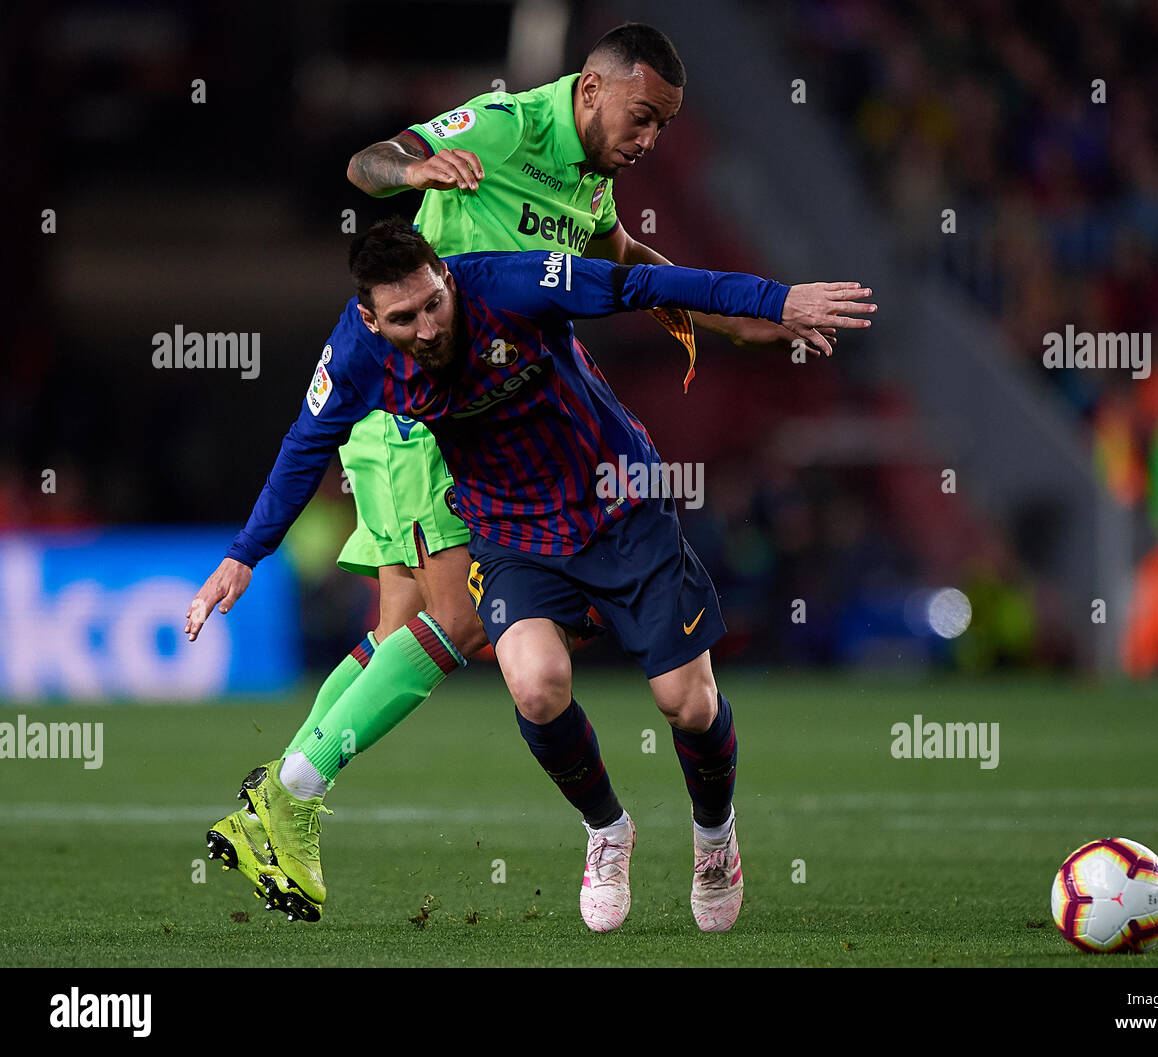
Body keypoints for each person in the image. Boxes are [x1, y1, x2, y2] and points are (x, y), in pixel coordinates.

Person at [189, 23, 793, 921]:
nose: (649, 141)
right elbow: (372, 161)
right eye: (643, 118)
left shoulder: (589, 179)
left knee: (398, 627)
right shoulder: (509, 127)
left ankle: (283, 797)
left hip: (468, 413)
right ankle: (287, 795)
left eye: (664, 127)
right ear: (592, 90)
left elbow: (618, 263)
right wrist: (416, 172)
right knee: (463, 623)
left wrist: (731, 315)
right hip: (424, 421)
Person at [223, 217, 873, 931]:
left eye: (433, 302)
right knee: (535, 685)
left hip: (619, 508)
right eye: (404, 317)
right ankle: (607, 830)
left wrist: (774, 302)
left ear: (445, 275)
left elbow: (643, 281)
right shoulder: (354, 357)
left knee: (686, 704)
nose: (428, 326)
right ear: (372, 320)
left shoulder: (512, 285)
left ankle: (715, 835)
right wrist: (245, 553)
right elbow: (302, 446)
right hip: (512, 537)